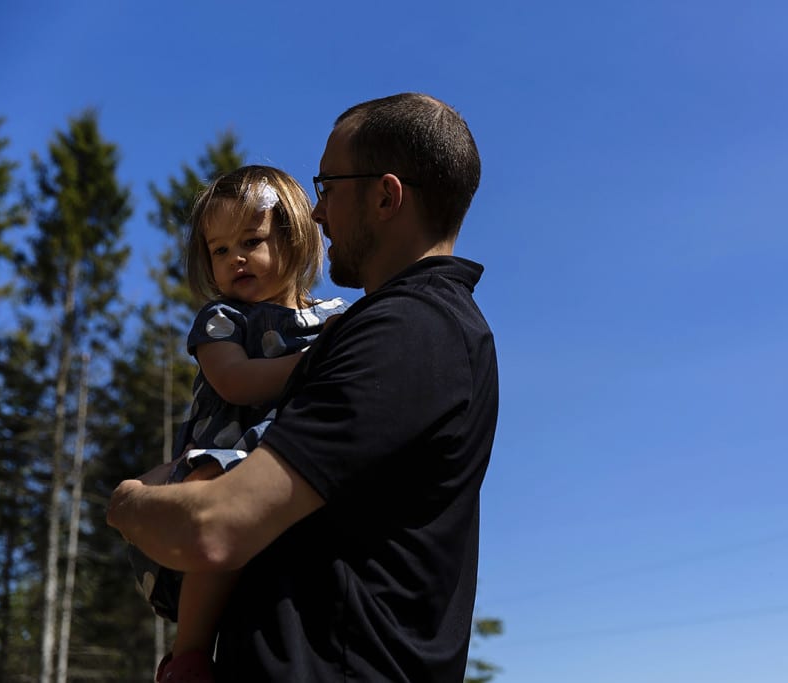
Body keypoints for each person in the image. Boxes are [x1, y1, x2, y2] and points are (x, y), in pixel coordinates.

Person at [108, 93, 498, 682]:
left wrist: (128, 502)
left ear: (386, 196)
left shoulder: (408, 331)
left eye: (329, 187)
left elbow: (214, 528)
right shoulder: (412, 328)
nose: (316, 214)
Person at [130, 165, 348, 682]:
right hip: (228, 451)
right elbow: (236, 382)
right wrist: (311, 363)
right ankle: (188, 654)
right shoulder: (222, 320)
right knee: (212, 498)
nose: (235, 259)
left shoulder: (336, 318)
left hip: (293, 458)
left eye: (251, 240)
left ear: (295, 238)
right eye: (219, 249)